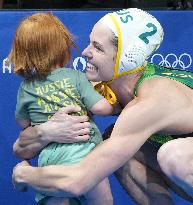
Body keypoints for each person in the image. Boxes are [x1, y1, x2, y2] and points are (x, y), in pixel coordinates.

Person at [12, 8, 193, 205]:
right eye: (90, 43)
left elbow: (78, 181)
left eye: (97, 48)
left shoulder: (153, 99)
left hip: (182, 155)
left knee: (175, 156)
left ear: (126, 58)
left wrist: (24, 174)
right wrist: (45, 132)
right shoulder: (106, 89)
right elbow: (20, 147)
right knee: (113, 143)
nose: (85, 52)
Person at [9, 12, 115, 205]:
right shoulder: (76, 77)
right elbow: (102, 108)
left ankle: (24, 175)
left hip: (51, 157)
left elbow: (23, 123)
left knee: (57, 200)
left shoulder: (26, 87)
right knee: (102, 200)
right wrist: (114, 102)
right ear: (62, 45)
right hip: (85, 152)